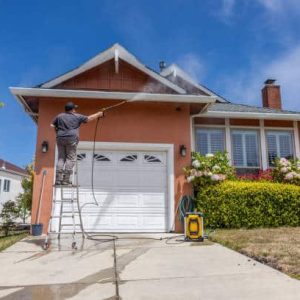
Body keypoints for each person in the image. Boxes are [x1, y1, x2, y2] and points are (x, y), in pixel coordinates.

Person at [51, 101, 104, 185]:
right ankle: (65, 180)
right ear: (72, 109)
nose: (75, 110)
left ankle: (58, 180)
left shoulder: (59, 116)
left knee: (61, 158)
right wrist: (98, 114)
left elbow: (53, 125)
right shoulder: (77, 116)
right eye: (74, 108)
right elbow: (88, 118)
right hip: (71, 138)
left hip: (60, 138)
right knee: (70, 158)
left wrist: (57, 134)